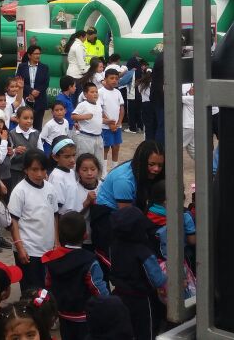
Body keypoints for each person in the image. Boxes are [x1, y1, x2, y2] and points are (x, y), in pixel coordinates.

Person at [93, 141, 164, 261]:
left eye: (160, 165)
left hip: (130, 211)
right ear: (141, 161)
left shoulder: (143, 172)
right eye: (151, 164)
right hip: (110, 218)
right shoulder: (124, 180)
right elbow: (128, 219)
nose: (156, 169)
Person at [43, 212, 110, 340]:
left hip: (63, 314)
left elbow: (48, 284)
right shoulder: (90, 261)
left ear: (60, 235)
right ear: (85, 235)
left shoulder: (51, 260)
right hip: (85, 317)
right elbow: (99, 290)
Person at [9, 150, 61, 293]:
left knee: (46, 289)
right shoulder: (20, 191)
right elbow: (13, 221)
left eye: (42, 169)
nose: (39, 174)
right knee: (31, 291)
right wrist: (20, 248)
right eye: (34, 169)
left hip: (48, 250)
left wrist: (56, 242)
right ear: (25, 170)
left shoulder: (50, 188)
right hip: (29, 250)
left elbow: (55, 215)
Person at [110, 206, 166, 340]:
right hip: (141, 299)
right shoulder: (144, 252)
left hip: (119, 296)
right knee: (144, 332)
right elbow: (157, 280)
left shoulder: (114, 246)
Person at [99, 69, 126, 175]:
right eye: (111, 78)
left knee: (116, 147)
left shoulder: (118, 92)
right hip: (105, 127)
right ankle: (104, 172)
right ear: (105, 79)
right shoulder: (100, 92)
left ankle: (115, 170)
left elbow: (122, 109)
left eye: (116, 78)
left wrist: (119, 123)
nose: (114, 81)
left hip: (117, 127)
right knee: (105, 148)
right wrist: (110, 124)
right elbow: (100, 109)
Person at [73, 83, 105, 172]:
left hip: (98, 137)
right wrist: (85, 117)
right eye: (92, 92)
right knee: (84, 160)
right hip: (86, 137)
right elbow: (74, 116)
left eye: (96, 92)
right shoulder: (83, 104)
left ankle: (97, 180)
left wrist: (107, 121)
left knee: (98, 161)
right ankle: (79, 179)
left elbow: (97, 119)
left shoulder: (98, 105)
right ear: (85, 94)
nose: (95, 94)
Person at [17, 45, 50, 129]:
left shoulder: (44, 68)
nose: (38, 56)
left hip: (39, 100)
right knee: (24, 124)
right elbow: (19, 81)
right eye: (35, 54)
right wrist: (31, 91)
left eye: (39, 54)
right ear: (29, 55)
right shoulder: (22, 67)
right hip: (25, 98)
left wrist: (37, 92)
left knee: (38, 126)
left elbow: (46, 83)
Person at [8, 106, 42, 188]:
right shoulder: (11, 134)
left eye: (31, 118)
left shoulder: (36, 133)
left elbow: (41, 151)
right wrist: (15, 150)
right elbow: (8, 156)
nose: (29, 121)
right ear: (17, 119)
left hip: (32, 171)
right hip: (16, 172)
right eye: (25, 118)